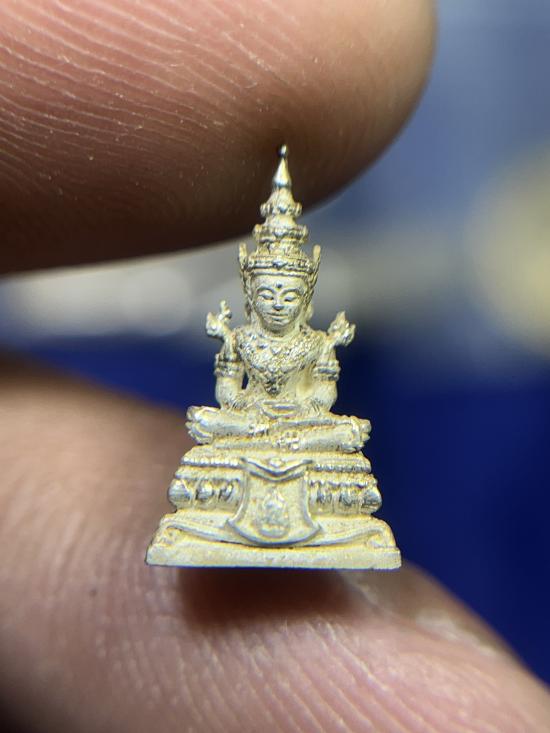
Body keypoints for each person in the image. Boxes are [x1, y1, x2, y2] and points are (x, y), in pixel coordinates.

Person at [1, 1, 549, 731]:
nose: (281, 303)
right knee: (206, 431)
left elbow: (318, 398)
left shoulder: (308, 340)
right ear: (252, 286)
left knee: (345, 434)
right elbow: (230, 397)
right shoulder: (249, 336)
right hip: (251, 431)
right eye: (270, 293)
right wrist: (232, 354)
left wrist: (324, 360)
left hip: (299, 431)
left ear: (307, 287)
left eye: (292, 294)